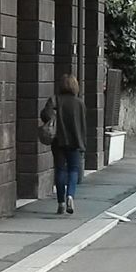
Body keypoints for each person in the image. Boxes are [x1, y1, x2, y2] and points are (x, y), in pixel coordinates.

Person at [40, 74, 87, 214]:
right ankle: (70, 196)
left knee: (60, 170)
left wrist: (53, 117)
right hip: (75, 140)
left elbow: (44, 115)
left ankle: (60, 202)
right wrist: (83, 144)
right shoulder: (79, 103)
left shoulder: (55, 100)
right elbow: (83, 125)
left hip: (58, 140)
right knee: (73, 170)